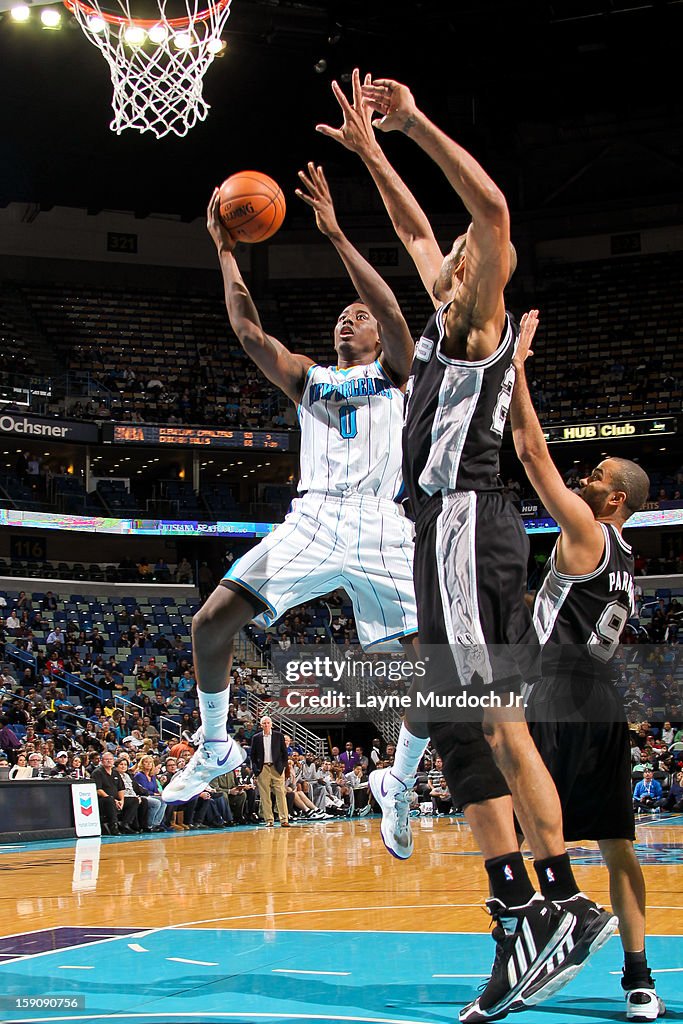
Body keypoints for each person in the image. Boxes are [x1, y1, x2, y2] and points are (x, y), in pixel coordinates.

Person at [320, 71, 615, 1022]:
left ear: (477, 273)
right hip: (442, 532)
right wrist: (370, 155)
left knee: (492, 718)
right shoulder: (448, 313)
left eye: (454, 253)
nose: (439, 251)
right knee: (456, 724)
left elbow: (483, 208)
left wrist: (412, 125)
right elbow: (414, 231)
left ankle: (561, 899)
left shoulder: (479, 320)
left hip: (464, 524)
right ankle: (514, 916)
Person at [163, 162, 416, 804]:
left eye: (356, 316)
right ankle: (217, 744)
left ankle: (400, 778)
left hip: (384, 523)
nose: (347, 321)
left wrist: (334, 232)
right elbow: (249, 332)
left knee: (432, 670)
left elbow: (391, 313)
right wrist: (225, 252)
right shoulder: (309, 378)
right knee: (210, 624)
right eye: (341, 316)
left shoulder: (398, 371)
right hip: (315, 519)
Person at [509, 309, 663, 1021]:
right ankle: (639, 978)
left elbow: (529, 451)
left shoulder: (587, 530)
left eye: (595, 474)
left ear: (615, 499)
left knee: (522, 838)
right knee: (618, 846)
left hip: (558, 695)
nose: (584, 475)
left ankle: (538, 951)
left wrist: (512, 364)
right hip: (604, 699)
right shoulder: (629, 561)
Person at [250, 716, 289, 827]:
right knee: (264, 796)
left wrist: (283, 767)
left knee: (281, 794)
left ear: (271, 724)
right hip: (263, 768)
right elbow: (252, 755)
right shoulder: (256, 737)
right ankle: (269, 820)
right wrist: (256, 770)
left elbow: (284, 754)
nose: (266, 725)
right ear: (261, 725)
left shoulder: (279, 736)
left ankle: (284, 819)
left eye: (268, 723)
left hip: (276, 768)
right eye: (264, 723)